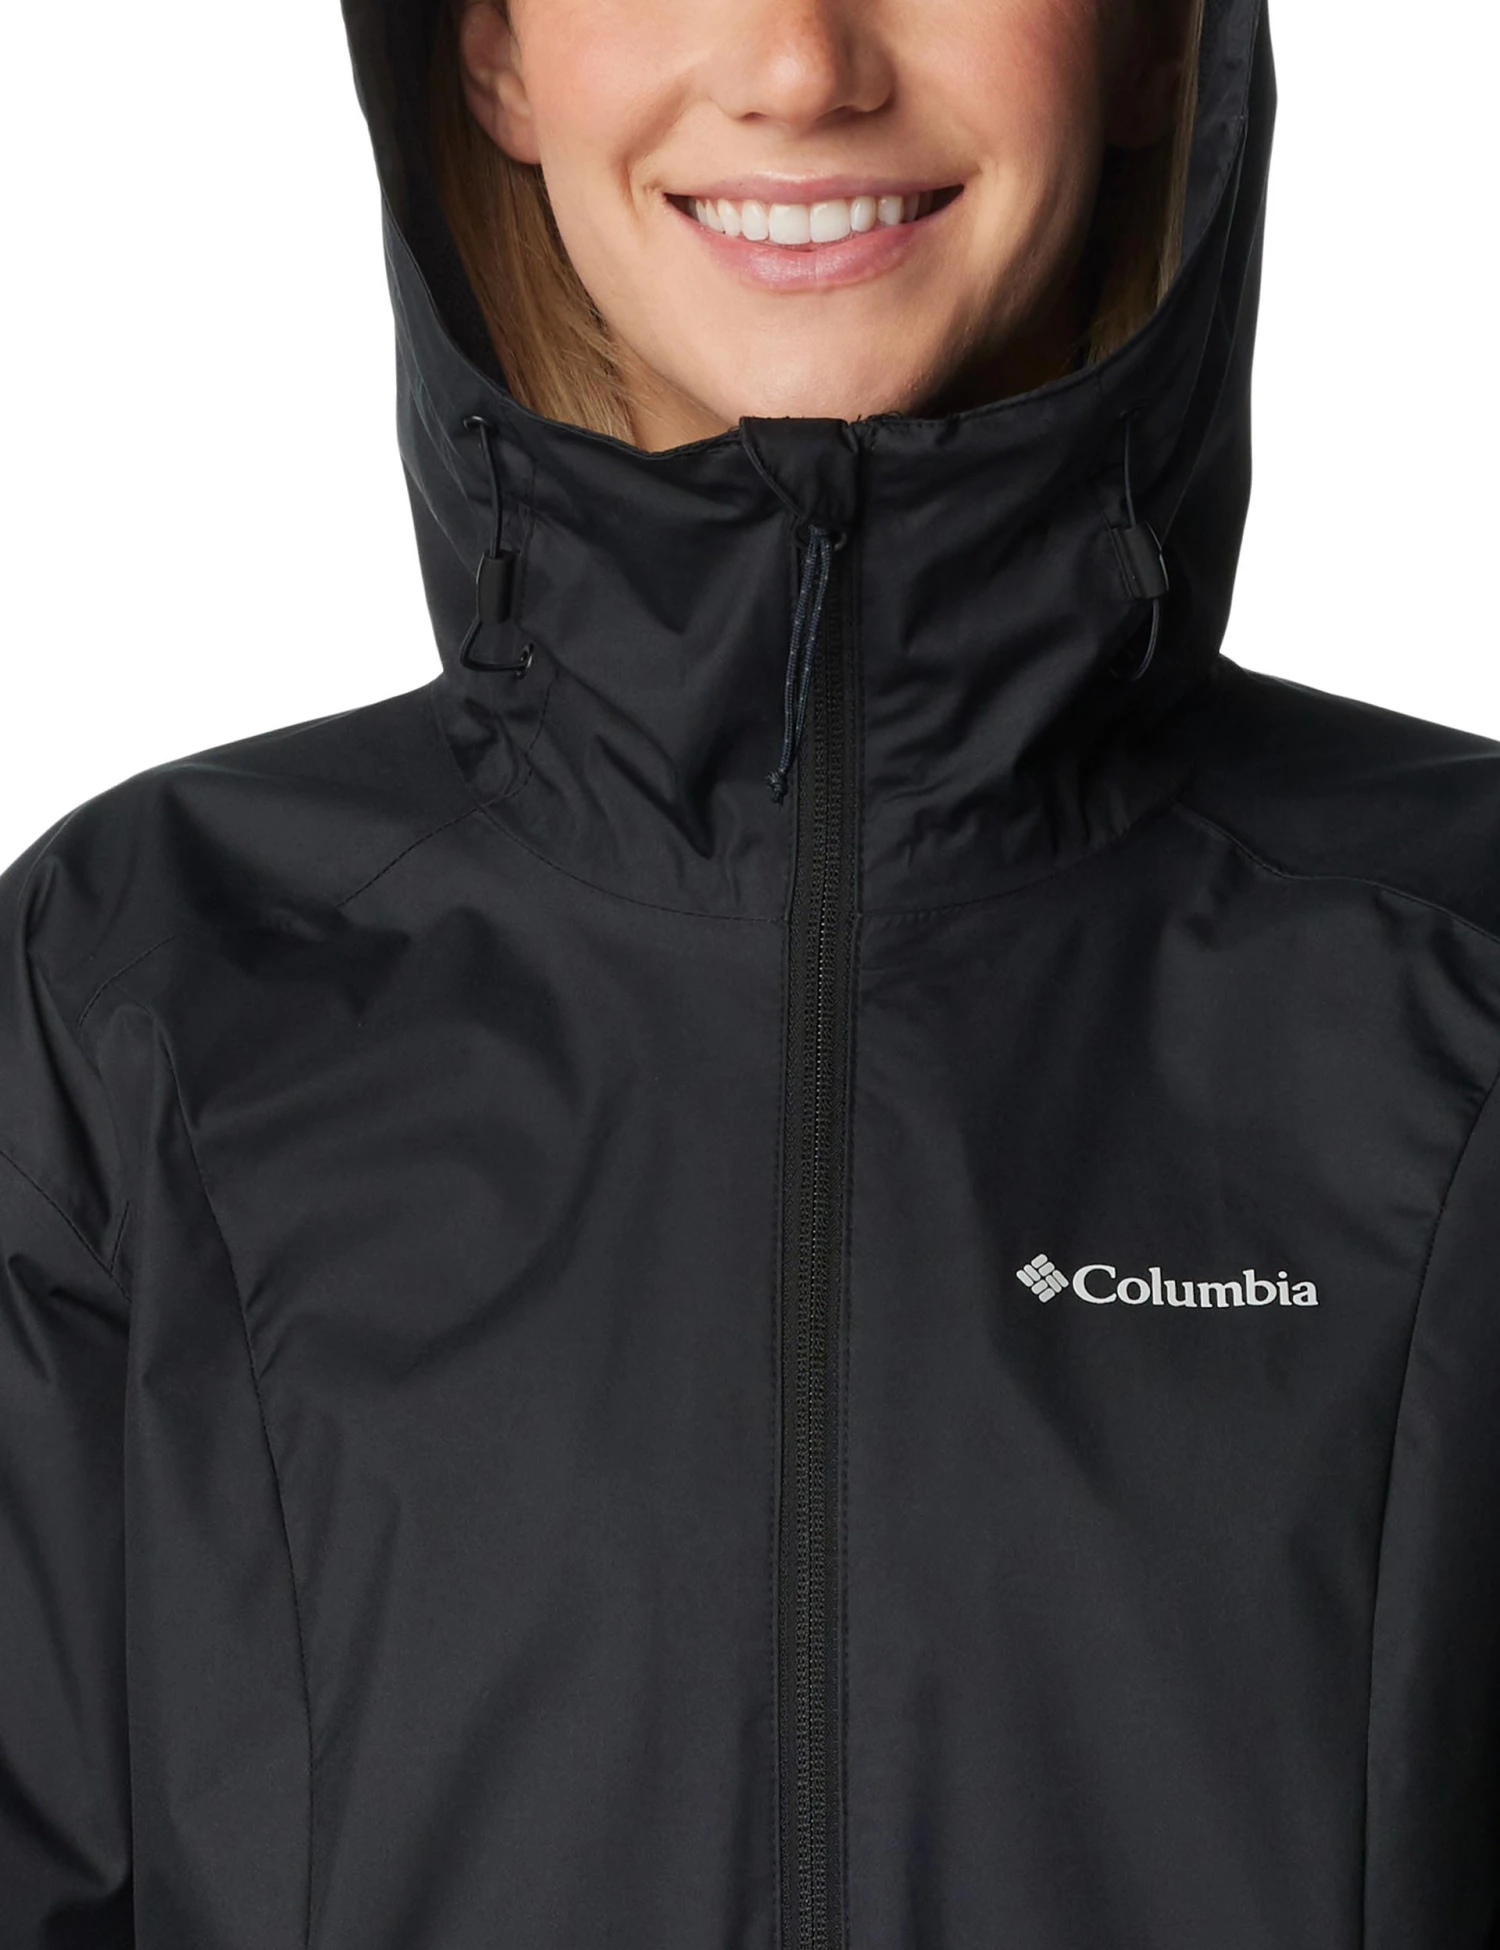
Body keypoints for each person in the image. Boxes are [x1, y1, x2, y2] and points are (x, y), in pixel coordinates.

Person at [2, 0, 1497, 1943]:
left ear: (1152, 43)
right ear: (489, 52)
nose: (802, 65)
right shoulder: (135, 995)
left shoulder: (1462, 984)